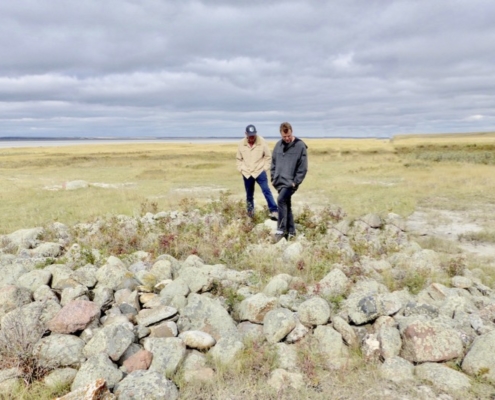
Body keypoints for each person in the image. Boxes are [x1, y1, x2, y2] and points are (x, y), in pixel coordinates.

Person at [270, 122, 308, 242]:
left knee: (281, 200)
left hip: (290, 183)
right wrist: (273, 177)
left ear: (291, 132)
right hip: (279, 181)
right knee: (287, 204)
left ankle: (281, 230)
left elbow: (303, 167)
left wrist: (295, 182)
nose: (287, 138)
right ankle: (291, 232)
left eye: (289, 136)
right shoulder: (278, 145)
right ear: (281, 134)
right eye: (284, 136)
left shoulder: (300, 146)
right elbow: (273, 163)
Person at [236, 124, 278, 219]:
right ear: (246, 134)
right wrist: (241, 169)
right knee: (249, 195)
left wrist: (265, 168)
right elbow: (238, 159)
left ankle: (274, 211)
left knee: (266, 190)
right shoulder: (241, 143)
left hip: (259, 171)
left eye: (253, 135)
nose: (252, 137)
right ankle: (250, 214)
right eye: (250, 135)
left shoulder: (262, 141)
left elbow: (268, 156)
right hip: (247, 173)